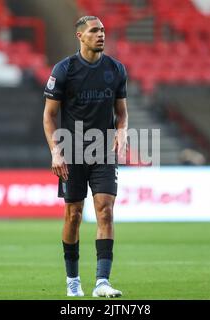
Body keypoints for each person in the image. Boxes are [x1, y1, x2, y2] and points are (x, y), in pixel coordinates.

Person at [42, 16, 128, 298]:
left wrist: (122, 131)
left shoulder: (116, 70)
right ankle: (73, 282)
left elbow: (122, 113)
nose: (101, 34)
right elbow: (50, 115)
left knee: (105, 210)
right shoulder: (64, 70)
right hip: (72, 151)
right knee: (73, 215)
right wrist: (56, 151)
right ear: (80, 36)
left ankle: (102, 282)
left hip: (103, 150)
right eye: (94, 31)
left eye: (103, 29)